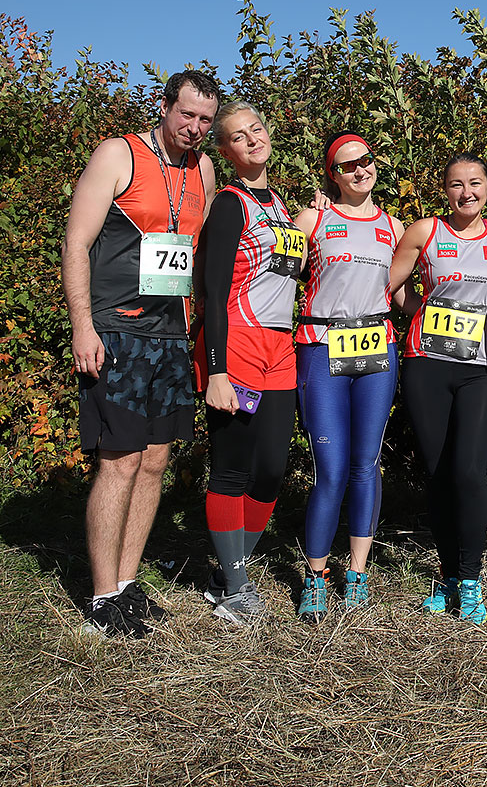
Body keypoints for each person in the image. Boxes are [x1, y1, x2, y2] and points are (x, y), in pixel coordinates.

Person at [63, 70, 220, 637]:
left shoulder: (203, 169)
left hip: (172, 334)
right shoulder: (119, 154)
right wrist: (83, 327)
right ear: (165, 105)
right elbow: (76, 242)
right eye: (187, 114)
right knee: (120, 460)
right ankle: (102, 596)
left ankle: (127, 584)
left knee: (154, 462)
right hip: (116, 330)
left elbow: (202, 251)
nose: (194, 127)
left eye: (205, 120)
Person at [389, 152, 487, 624]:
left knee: (469, 471)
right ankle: (447, 576)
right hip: (428, 365)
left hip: (480, 368)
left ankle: (471, 578)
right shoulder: (424, 231)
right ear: (445, 190)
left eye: (475, 183)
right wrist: (419, 310)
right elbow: (390, 284)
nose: (467, 193)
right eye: (457, 184)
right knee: (440, 472)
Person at [195, 102, 303, 624]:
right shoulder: (228, 204)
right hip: (235, 345)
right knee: (233, 468)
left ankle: (227, 568)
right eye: (238, 136)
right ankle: (234, 587)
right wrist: (215, 370)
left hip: (280, 348)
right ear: (225, 151)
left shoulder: (281, 206)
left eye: (256, 129)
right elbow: (213, 293)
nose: (252, 139)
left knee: (272, 472)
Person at [293, 132, 408, 622]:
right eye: (347, 165)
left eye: (366, 160)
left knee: (366, 464)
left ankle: (357, 573)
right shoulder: (313, 219)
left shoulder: (395, 226)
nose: (360, 170)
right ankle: (316, 577)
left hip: (377, 346)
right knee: (331, 469)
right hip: (322, 345)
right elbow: (278, 277)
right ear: (332, 176)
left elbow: (401, 293)